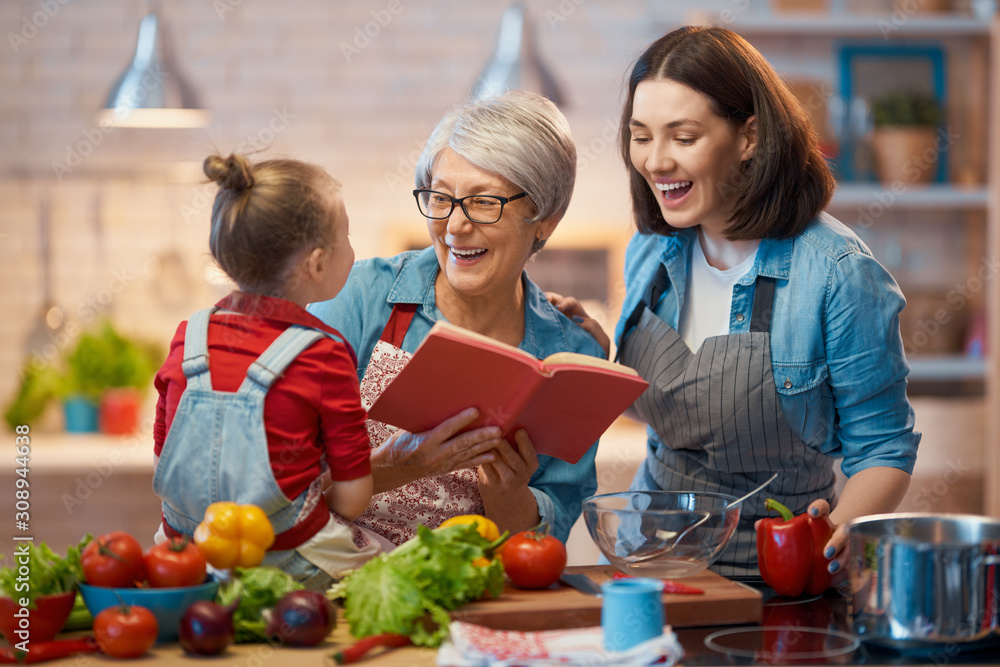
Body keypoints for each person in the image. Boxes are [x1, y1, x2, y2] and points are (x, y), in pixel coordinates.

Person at [555, 26, 919, 578]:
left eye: (683, 136)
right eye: (641, 136)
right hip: (647, 563)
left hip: (773, 579)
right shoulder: (651, 251)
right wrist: (601, 358)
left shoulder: (838, 275)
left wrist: (842, 524)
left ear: (748, 137)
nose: (655, 162)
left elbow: (884, 449)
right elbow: (669, 412)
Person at [308, 90, 601, 551]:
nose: (454, 226)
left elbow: (541, 544)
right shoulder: (359, 298)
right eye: (440, 198)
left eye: (484, 202)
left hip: (473, 595)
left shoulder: (573, 355)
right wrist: (399, 468)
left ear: (546, 218)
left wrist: (505, 492)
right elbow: (275, 494)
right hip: (336, 596)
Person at [152, 153, 379, 590]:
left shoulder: (188, 336)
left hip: (187, 558)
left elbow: (165, 462)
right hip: (292, 560)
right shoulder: (326, 353)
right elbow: (353, 498)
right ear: (316, 264)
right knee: (394, 564)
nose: (354, 249)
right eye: (346, 237)